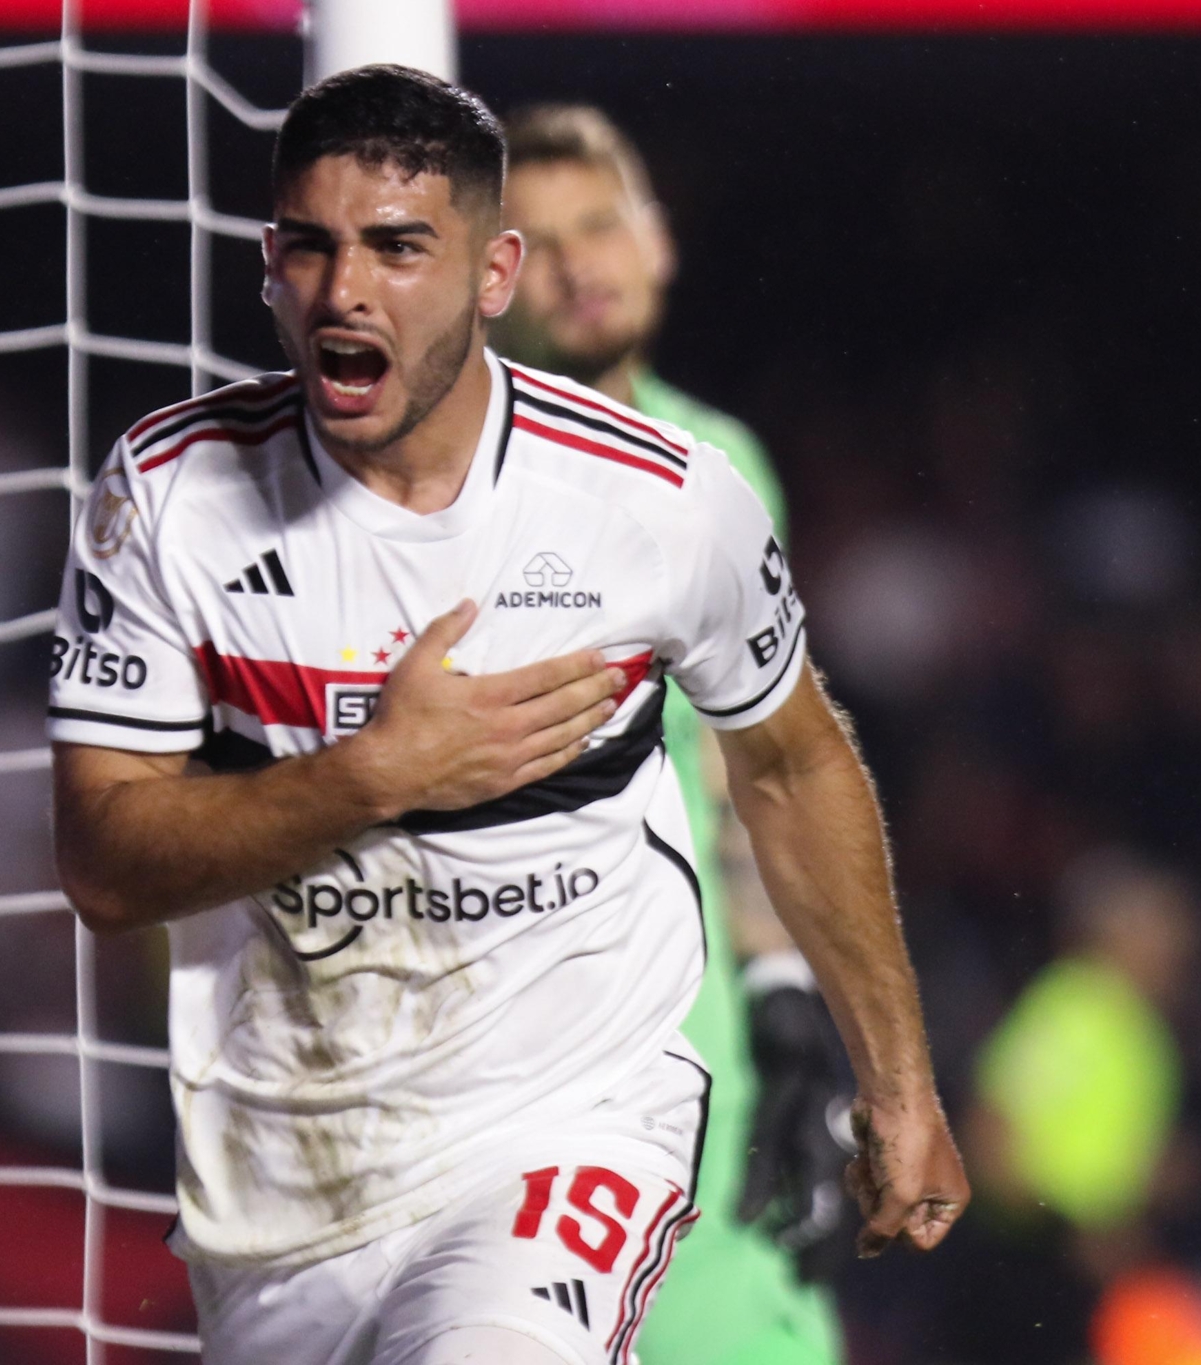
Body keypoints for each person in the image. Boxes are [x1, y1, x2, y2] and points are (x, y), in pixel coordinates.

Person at [48, 65, 965, 1365]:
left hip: (569, 1119)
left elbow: (789, 762)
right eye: (309, 247)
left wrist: (895, 1077)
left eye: (397, 248)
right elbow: (101, 860)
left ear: (492, 274)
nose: (344, 290)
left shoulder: (659, 495)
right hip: (292, 1169)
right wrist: (376, 773)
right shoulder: (170, 494)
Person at [491, 103, 853, 1365]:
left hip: (703, 1074)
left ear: (656, 241)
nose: (581, 265)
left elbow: (746, 767)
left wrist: (784, 993)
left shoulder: (725, 461)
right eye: (535, 244)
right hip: (508, 1086)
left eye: (599, 226)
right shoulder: (435, 487)